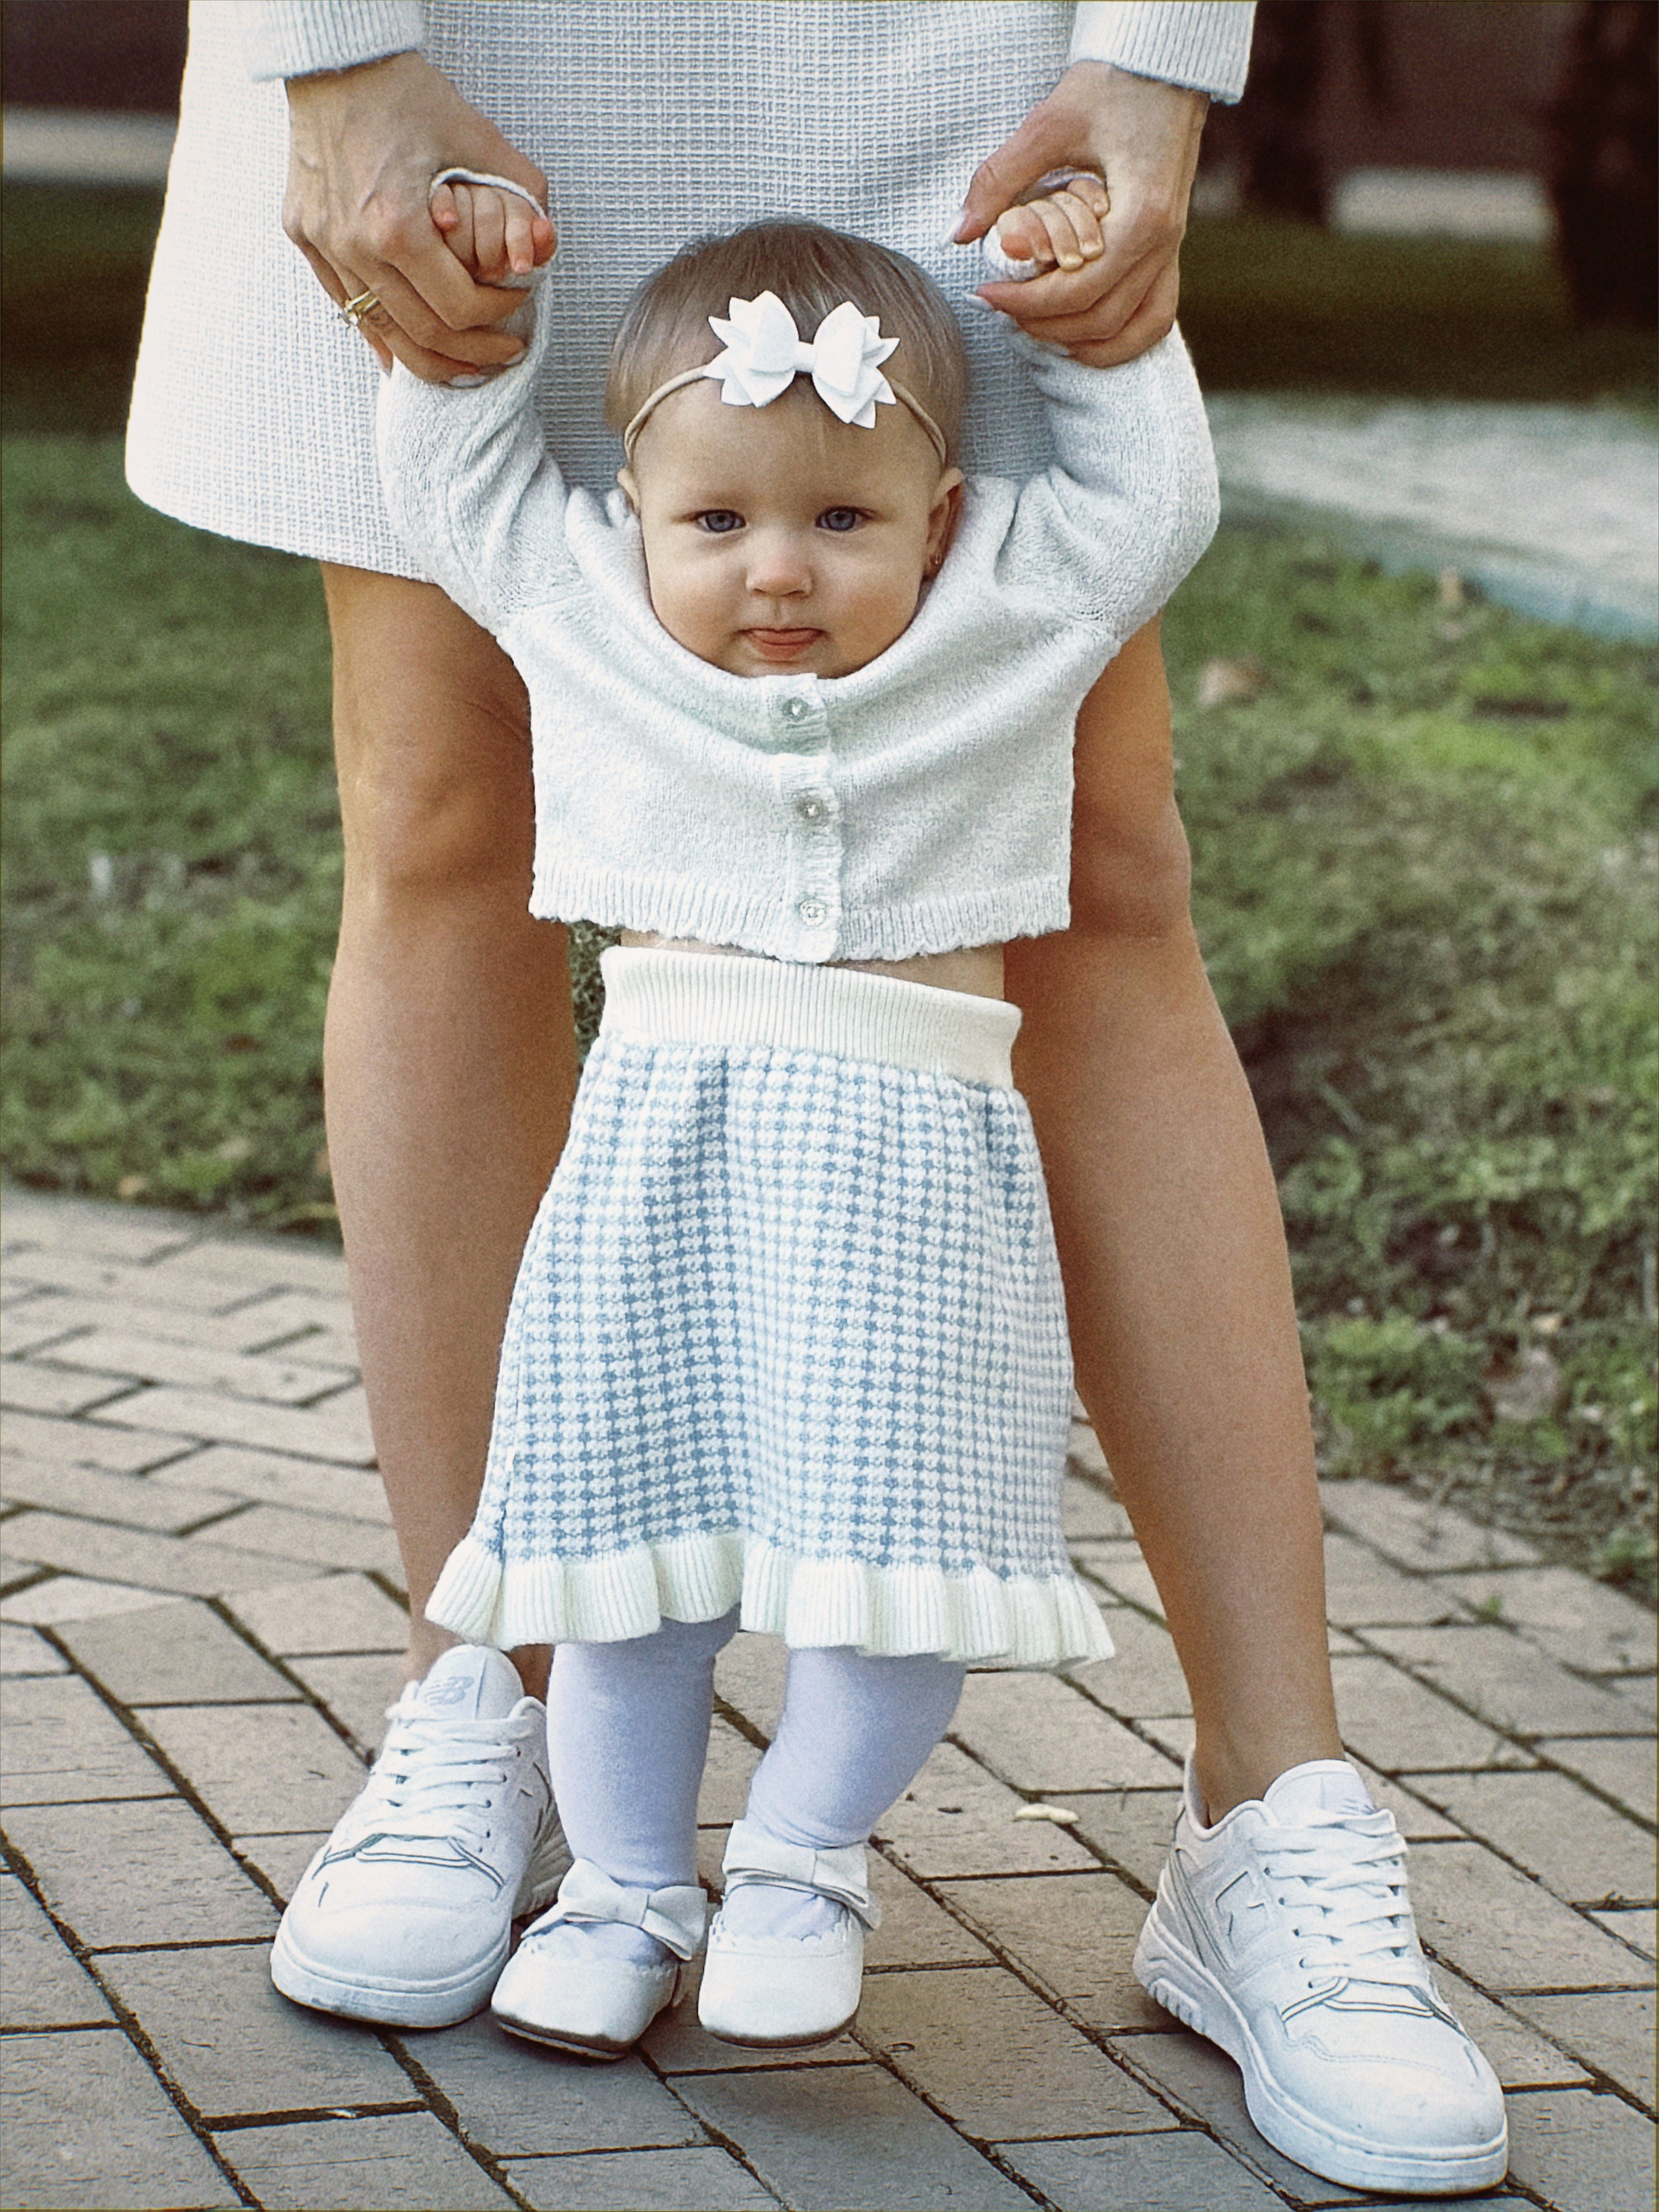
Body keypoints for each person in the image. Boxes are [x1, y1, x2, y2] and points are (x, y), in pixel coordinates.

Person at [125, 4, 1507, 2193]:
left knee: (1101, 865)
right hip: (472, 37)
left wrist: (1161, 49)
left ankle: (1276, 1819)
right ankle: (495, 1705)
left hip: (956, 49)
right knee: (449, 828)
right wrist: (339, 49)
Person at [349, 182, 1210, 2058]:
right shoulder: (587, 617)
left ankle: (808, 1856)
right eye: (718, 521)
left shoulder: (1011, 621)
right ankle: (627, 1881)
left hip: (918, 1174)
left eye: (841, 521)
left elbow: (1156, 510)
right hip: (664, 1155)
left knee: (898, 1566)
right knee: (622, 1565)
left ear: (943, 522)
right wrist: (470, 320)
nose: (779, 574)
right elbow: (450, 495)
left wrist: (1114, 337)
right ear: (634, 519)